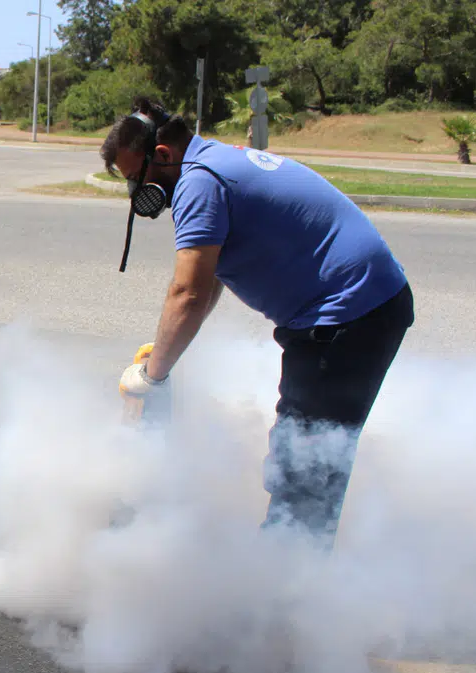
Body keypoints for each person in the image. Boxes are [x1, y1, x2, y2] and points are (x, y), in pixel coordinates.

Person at [106, 96, 414, 549]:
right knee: (301, 451)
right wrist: (164, 358)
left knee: (305, 464)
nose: (137, 194)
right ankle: (287, 576)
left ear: (163, 155)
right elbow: (208, 283)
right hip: (358, 308)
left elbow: (187, 293)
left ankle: (287, 597)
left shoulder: (198, 183)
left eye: (137, 179)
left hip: (348, 316)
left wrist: (154, 378)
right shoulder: (211, 161)